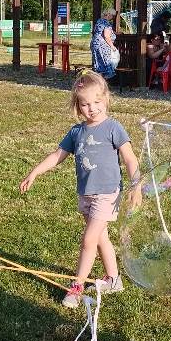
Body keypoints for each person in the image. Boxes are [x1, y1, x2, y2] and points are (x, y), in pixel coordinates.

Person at [20, 70, 140, 308]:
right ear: (77, 106)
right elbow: (57, 156)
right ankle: (113, 279)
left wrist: (136, 184)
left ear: (106, 99)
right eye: (85, 104)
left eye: (96, 102)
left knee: (88, 240)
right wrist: (34, 171)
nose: (92, 108)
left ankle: (76, 287)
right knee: (99, 238)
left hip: (107, 193)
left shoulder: (113, 128)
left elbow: (130, 159)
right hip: (85, 193)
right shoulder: (76, 132)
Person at [90, 7, 120, 79]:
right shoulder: (106, 23)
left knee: (98, 65)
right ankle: (101, 85)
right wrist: (112, 47)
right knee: (104, 66)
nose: (112, 18)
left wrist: (115, 33)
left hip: (96, 44)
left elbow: (102, 32)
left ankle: (97, 84)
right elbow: (106, 36)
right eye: (112, 16)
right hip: (102, 46)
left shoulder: (99, 21)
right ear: (108, 14)